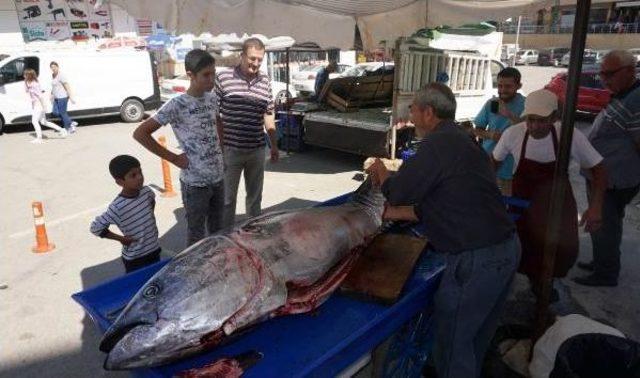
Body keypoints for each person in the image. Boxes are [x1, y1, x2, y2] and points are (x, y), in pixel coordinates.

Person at [367, 83, 520, 378]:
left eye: (413, 109)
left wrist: (382, 171)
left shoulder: (437, 145)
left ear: (428, 112)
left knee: (451, 350)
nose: (410, 116)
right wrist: (400, 213)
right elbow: (452, 198)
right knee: (472, 343)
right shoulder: (463, 141)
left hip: (477, 260)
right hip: (505, 249)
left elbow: (397, 192)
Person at [493, 89, 607, 297]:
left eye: (541, 121)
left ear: (554, 117)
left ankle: (545, 286)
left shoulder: (569, 136)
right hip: (523, 208)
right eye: (531, 120)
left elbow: (598, 168)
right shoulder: (513, 134)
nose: (534, 126)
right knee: (524, 251)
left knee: (561, 253)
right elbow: (492, 164)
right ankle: (537, 286)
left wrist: (596, 207)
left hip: (558, 206)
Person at [134, 49, 224, 246]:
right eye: (206, 75)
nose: (211, 80)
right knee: (196, 235)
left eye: (213, 73)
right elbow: (140, 133)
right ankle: (195, 272)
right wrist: (174, 158)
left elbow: (217, 121)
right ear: (191, 75)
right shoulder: (177, 104)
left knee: (218, 231)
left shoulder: (212, 98)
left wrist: (222, 150)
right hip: (195, 183)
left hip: (218, 177)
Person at [574, 50, 640, 287]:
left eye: (610, 74)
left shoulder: (636, 99)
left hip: (614, 178)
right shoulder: (625, 94)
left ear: (630, 71)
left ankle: (606, 273)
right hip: (603, 174)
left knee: (604, 224)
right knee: (603, 225)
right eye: (602, 74)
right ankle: (602, 261)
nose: (604, 79)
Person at [215, 38, 279, 228]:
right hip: (231, 151)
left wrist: (274, 145)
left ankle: (252, 234)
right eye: (252, 58)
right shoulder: (224, 78)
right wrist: (220, 146)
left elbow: (268, 114)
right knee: (227, 200)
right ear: (242, 56)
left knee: (254, 199)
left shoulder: (265, 80)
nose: (256, 63)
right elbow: (215, 115)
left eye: (260, 59)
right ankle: (225, 237)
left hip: (257, 151)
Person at [90, 155, 161, 273]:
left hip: (154, 249)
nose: (139, 177)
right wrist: (121, 239)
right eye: (133, 175)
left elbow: (151, 201)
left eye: (140, 172)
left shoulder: (146, 192)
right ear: (119, 182)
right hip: (136, 259)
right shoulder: (118, 206)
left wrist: (149, 217)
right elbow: (96, 228)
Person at [473, 67, 525, 195]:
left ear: (518, 86)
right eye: (500, 86)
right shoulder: (491, 103)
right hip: (489, 164)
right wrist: (491, 135)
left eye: (507, 86)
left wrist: (508, 114)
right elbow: (476, 130)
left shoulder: (526, 104)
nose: (502, 90)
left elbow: (528, 130)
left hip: (512, 169)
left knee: (507, 207)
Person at [23, 68, 67, 143]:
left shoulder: (35, 84)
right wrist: (26, 82)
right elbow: (27, 91)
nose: (24, 75)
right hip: (35, 104)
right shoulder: (28, 83)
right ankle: (62, 130)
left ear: (29, 75)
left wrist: (44, 106)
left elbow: (40, 96)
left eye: (25, 74)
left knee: (34, 121)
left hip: (39, 104)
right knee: (44, 122)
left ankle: (39, 138)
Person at [50, 61, 78, 133]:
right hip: (56, 97)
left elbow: (67, 86)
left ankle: (68, 128)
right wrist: (51, 94)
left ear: (57, 67)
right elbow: (53, 86)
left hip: (63, 97)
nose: (53, 68)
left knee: (63, 112)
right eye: (52, 67)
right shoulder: (53, 75)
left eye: (54, 67)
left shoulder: (61, 75)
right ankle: (70, 122)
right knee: (55, 112)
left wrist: (71, 97)